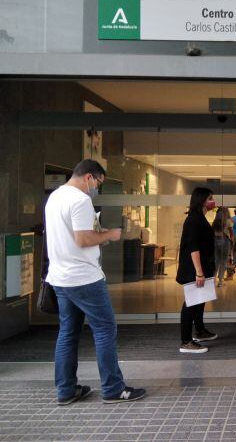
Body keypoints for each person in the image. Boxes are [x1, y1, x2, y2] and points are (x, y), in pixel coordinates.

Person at [45, 159, 145, 405]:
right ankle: (113, 388)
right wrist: (109, 234)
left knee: (67, 333)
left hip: (60, 277)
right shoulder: (80, 200)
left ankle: (65, 390)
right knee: (104, 330)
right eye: (98, 183)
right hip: (84, 278)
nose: (96, 188)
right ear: (89, 177)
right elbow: (83, 239)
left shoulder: (55, 197)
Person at [176, 187, 219, 354]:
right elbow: (194, 248)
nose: (212, 201)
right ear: (202, 201)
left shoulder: (200, 218)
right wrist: (199, 272)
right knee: (191, 304)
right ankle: (186, 341)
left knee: (200, 301)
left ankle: (200, 331)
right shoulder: (193, 219)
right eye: (210, 198)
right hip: (194, 269)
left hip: (203, 267)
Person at [212, 207, 232, 288]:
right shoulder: (228, 221)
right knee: (223, 262)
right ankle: (220, 281)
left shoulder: (214, 222)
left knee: (216, 261)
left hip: (215, 242)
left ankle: (212, 280)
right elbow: (231, 233)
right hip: (225, 241)